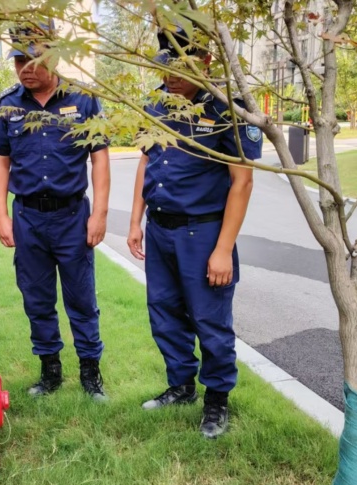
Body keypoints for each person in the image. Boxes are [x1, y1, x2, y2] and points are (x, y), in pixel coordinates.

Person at [126, 29, 261, 438]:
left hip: (202, 234)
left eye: (180, 67)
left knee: (209, 320)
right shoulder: (155, 103)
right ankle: (181, 385)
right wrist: (135, 222)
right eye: (165, 66)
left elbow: (242, 182)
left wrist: (223, 249)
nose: (171, 75)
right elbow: (146, 162)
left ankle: (217, 400)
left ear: (204, 61)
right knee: (164, 313)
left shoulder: (226, 109)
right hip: (160, 229)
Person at [0, 25, 110, 401]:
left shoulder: (84, 100)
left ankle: (90, 372)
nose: (24, 69)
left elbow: (100, 159)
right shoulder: (8, 105)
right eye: (18, 61)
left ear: (53, 56)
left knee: (81, 298)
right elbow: (0, 163)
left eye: (32, 60)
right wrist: (1, 216)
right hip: (28, 218)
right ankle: (50, 370)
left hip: (73, 217)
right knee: (36, 298)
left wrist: (99, 214)